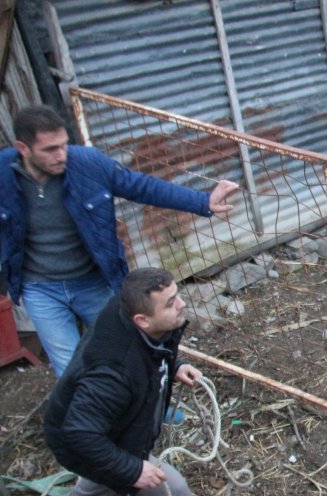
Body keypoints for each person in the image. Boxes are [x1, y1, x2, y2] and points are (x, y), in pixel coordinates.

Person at [43, 267, 260, 496]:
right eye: (171, 302)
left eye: (177, 295)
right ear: (142, 320)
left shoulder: (139, 321)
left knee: (104, 473)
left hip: (107, 428)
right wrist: (133, 469)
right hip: (81, 436)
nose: (182, 304)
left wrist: (176, 365)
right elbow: (81, 435)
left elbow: (154, 351)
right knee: (170, 488)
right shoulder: (112, 374)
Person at [0, 104, 239, 377]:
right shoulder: (3, 174)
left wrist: (203, 201)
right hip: (40, 289)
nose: (61, 155)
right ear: (23, 148)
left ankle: (154, 409)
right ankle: (90, 418)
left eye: (64, 145)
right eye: (50, 149)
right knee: (69, 368)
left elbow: (141, 186)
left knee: (130, 349)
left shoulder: (88, 164)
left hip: (92, 281)